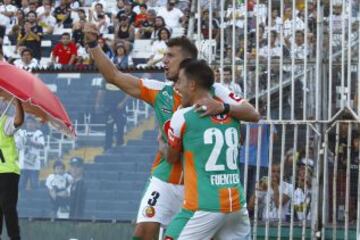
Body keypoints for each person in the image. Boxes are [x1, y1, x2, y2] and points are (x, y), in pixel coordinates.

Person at [83, 23, 259, 240]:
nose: (164, 60)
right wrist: (93, 44)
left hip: (202, 186)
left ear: (187, 63)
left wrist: (223, 107)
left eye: (170, 56)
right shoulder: (160, 91)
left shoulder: (216, 92)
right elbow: (114, 76)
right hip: (166, 178)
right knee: (144, 231)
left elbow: (252, 112)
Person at [165, 59, 251, 239]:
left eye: (180, 81)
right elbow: (251, 116)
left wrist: (162, 140)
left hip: (203, 206)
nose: (177, 87)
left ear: (192, 85)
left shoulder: (182, 116)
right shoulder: (233, 114)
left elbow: (171, 158)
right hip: (236, 205)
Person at [0, 99, 24, 240]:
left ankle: (14, 237)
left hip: (8, 171)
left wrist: (18, 104)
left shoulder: (5, 122)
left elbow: (19, 121)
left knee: (7, 207)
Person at [18, 116, 45, 191]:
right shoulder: (22, 132)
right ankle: (20, 202)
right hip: (23, 165)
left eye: (32, 122)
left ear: (35, 123)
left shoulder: (39, 133)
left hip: (34, 165)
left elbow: (42, 146)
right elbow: (17, 145)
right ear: (26, 123)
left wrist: (31, 142)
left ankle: (35, 202)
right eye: (28, 122)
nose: (30, 124)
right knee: (20, 186)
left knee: (35, 186)